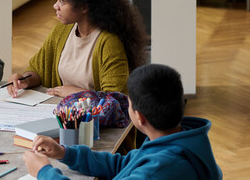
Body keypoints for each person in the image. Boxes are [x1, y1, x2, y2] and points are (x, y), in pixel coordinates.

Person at [22, 64, 222, 179]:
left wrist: (44, 172)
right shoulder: (179, 140)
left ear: (139, 117)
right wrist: (65, 153)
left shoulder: (158, 170)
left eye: (129, 104)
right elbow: (123, 164)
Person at [7, 0, 146, 98]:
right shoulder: (61, 31)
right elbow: (39, 69)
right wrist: (25, 80)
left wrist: (80, 94)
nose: (55, 6)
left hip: (92, 120)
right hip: (60, 112)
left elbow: (116, 100)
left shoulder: (109, 43)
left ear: (84, 7)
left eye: (62, 1)